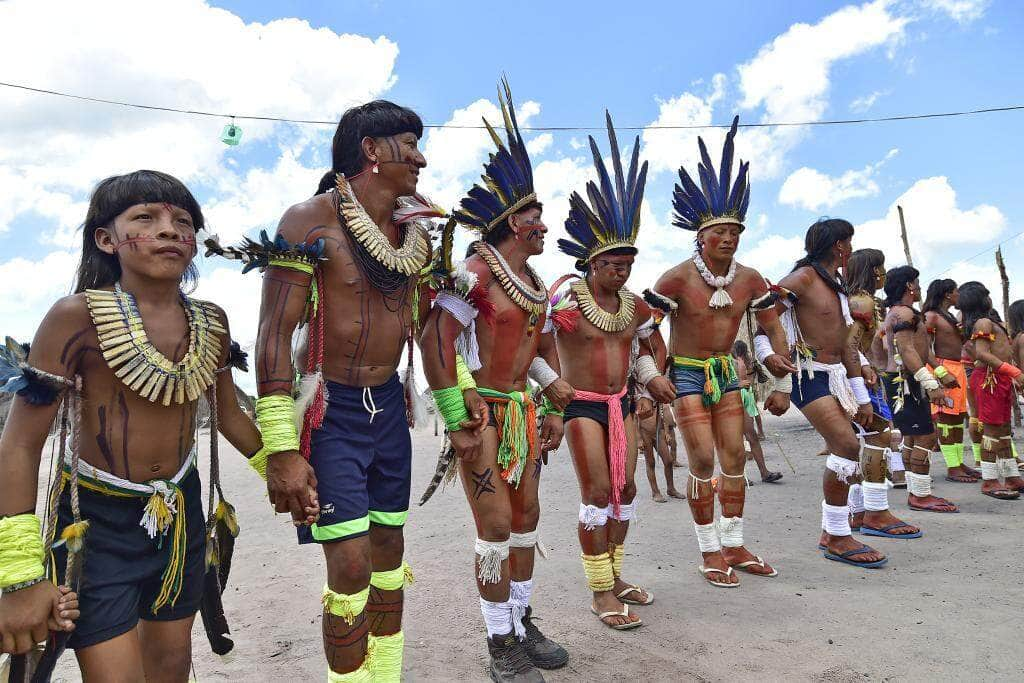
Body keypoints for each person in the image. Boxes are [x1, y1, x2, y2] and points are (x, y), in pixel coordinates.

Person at [0, 170, 267, 681]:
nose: (169, 229)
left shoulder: (211, 320)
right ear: (106, 239)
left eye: (182, 221)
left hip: (181, 513)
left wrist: (281, 468)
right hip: (94, 522)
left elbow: (230, 414)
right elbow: (20, 444)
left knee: (170, 665)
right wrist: (18, 576)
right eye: (146, 217)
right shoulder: (75, 316)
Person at [219, 100, 441, 682]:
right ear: (371, 149)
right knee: (349, 562)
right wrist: (283, 447)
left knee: (390, 554)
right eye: (409, 144)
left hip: (389, 406)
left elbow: (433, 330)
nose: (420, 157)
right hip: (331, 408)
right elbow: (273, 335)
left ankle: (384, 676)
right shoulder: (309, 222)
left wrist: (457, 401)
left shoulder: (414, 232)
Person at [420, 80, 573, 682]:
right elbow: (436, 341)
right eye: (536, 219)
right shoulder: (474, 274)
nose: (543, 228)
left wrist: (553, 394)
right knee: (496, 524)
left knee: (528, 516)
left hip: (522, 413)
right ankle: (498, 642)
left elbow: (527, 347)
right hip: (481, 412)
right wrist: (458, 413)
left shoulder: (532, 281)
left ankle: (521, 616)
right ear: (513, 220)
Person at [646, 117, 796, 588]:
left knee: (735, 455)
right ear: (701, 238)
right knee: (703, 459)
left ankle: (733, 541)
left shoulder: (750, 279)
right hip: (688, 374)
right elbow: (644, 331)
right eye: (720, 233)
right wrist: (654, 374)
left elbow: (773, 328)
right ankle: (709, 550)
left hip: (728, 373)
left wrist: (779, 374)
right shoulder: (674, 279)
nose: (728, 239)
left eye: (735, 231)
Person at [547, 113, 676, 629]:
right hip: (579, 403)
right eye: (612, 265)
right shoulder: (564, 298)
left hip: (622, 403)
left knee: (626, 493)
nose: (622, 272)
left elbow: (643, 345)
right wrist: (547, 383)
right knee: (598, 493)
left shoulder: (635, 306)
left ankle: (615, 575)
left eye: (628, 265)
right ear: (591, 264)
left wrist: (649, 380)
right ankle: (600, 591)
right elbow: (535, 343)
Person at [758, 219, 888, 568]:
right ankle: (835, 533)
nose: (850, 249)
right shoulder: (802, 279)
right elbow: (762, 324)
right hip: (809, 374)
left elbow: (846, 344)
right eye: (848, 242)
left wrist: (861, 387)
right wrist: (771, 362)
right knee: (846, 445)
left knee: (871, 435)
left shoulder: (838, 284)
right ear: (837, 246)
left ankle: (865, 515)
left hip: (840, 375)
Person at [843, 249, 920, 539]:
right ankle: (875, 513)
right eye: (881, 267)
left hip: (861, 378)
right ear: (872, 270)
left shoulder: (863, 301)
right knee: (879, 438)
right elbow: (849, 347)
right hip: (859, 381)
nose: (884, 273)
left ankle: (859, 511)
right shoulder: (861, 301)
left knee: (857, 445)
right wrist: (863, 375)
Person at [880, 267, 959, 513]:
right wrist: (930, 383)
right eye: (917, 283)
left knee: (913, 436)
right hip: (907, 380)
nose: (920, 287)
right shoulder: (904, 313)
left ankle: (917, 491)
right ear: (909, 287)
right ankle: (920, 495)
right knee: (926, 435)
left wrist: (941, 373)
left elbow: (920, 349)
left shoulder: (898, 313)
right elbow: (907, 350)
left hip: (903, 378)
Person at [958, 283, 1024, 499]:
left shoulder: (989, 322)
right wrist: (1014, 372)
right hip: (990, 380)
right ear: (980, 300)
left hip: (999, 379)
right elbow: (983, 354)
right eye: (986, 294)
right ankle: (990, 480)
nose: (990, 298)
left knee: (1004, 430)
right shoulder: (983, 323)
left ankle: (1012, 477)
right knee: (992, 431)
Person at [923, 279, 979, 482]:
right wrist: (938, 373)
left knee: (956, 418)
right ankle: (952, 467)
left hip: (957, 368)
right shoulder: (931, 317)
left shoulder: (948, 317)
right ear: (947, 294)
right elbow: (925, 349)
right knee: (946, 419)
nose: (959, 295)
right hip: (943, 368)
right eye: (956, 292)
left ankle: (958, 463)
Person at [732, 340, 782, 484]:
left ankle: (764, 473)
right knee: (735, 441)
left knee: (751, 436)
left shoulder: (747, 362)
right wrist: (738, 384)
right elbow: (715, 383)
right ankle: (738, 476)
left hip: (745, 398)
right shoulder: (722, 360)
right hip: (730, 400)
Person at [639, 403, 684, 502]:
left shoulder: (655, 393)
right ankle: (655, 492)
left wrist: (666, 432)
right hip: (644, 433)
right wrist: (638, 439)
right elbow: (634, 416)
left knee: (668, 461)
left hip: (658, 431)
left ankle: (671, 489)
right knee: (650, 462)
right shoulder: (638, 394)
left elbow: (662, 413)